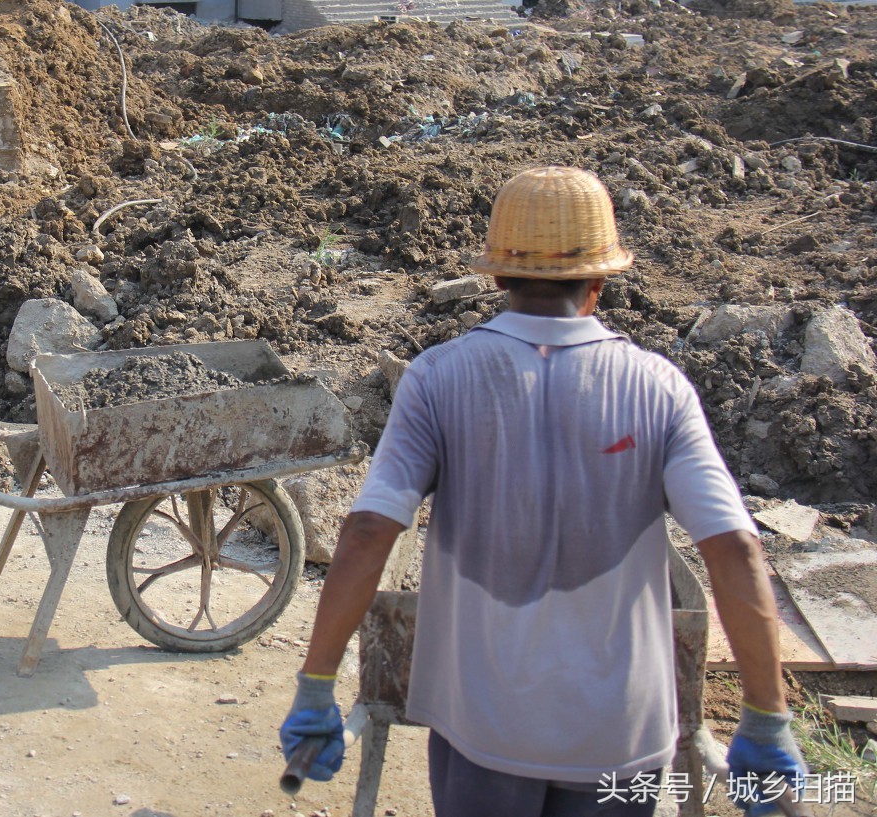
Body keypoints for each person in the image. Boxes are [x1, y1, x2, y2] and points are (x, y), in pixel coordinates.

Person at [280, 166, 807, 816]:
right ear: (601, 279)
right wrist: (765, 716)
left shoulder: (437, 378)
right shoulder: (659, 387)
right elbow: (735, 549)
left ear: (497, 275)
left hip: (485, 728)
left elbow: (367, 533)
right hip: (621, 735)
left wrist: (317, 685)